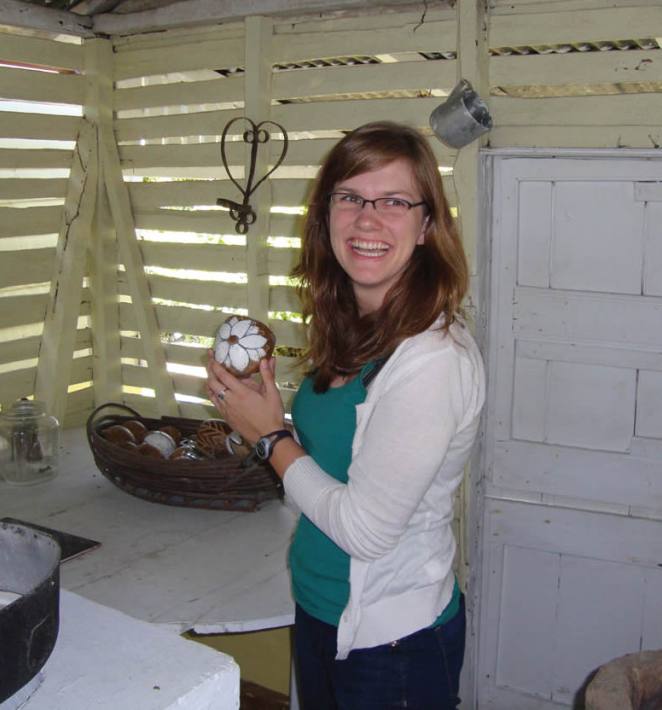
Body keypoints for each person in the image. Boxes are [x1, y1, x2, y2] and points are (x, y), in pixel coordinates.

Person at [205, 121, 485, 709]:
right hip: (317, 609)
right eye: (350, 197)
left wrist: (269, 435)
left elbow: (366, 531)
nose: (366, 219)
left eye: (393, 202)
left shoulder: (433, 360)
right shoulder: (348, 327)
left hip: (391, 642)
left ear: (428, 225)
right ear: (325, 213)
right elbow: (326, 463)